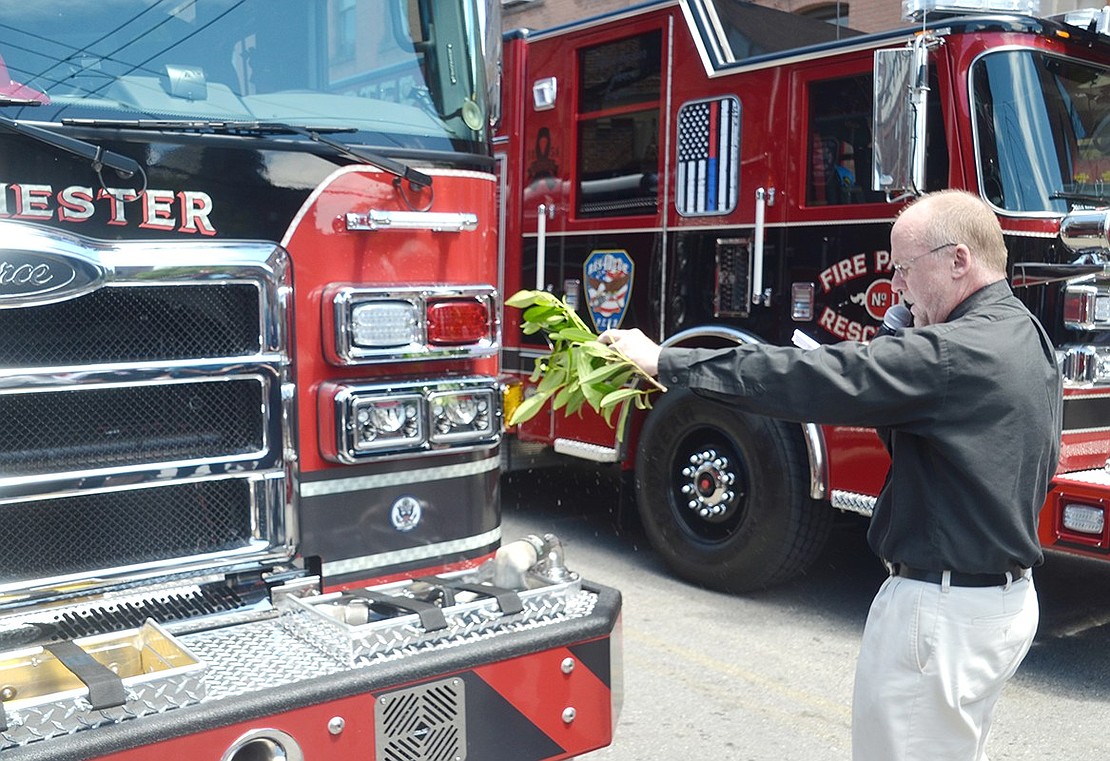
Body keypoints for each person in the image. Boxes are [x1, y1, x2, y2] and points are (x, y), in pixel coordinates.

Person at [599, 189, 1062, 761]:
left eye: (906, 269)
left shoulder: (948, 355)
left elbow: (810, 376)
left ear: (959, 260)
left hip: (940, 616)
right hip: (1002, 606)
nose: (897, 286)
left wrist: (666, 360)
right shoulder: (1025, 333)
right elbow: (957, 447)